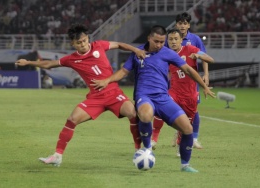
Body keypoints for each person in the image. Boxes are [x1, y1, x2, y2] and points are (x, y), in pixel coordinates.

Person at [15, 24, 146, 167]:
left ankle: (138, 151)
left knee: (133, 113)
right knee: (72, 119)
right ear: (73, 44)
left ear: (88, 38)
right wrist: (28, 62)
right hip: (95, 98)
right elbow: (49, 64)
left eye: (85, 40)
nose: (83, 44)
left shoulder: (99, 45)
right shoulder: (71, 59)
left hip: (114, 93)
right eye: (79, 42)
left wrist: (136, 50)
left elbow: (120, 44)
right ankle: (57, 156)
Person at [91, 25, 215, 172]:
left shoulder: (167, 53)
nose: (159, 45)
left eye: (162, 42)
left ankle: (185, 165)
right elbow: (123, 72)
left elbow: (188, 69)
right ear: (149, 38)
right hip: (144, 96)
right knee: (145, 114)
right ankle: (147, 148)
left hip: (163, 98)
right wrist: (107, 80)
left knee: (187, 128)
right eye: (157, 41)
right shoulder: (138, 52)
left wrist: (204, 86)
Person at [151, 29, 215, 156]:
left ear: (181, 40)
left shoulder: (191, 49)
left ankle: (180, 146)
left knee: (185, 122)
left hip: (190, 96)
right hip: (174, 92)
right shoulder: (165, 54)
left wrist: (199, 55)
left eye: (176, 39)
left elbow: (210, 59)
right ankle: (153, 139)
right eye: (170, 39)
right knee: (160, 109)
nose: (173, 42)